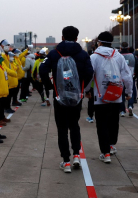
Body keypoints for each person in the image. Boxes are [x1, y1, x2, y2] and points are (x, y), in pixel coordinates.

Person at [40, 26, 93, 173]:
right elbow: (90, 72)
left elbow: (42, 70)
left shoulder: (54, 53)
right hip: (76, 96)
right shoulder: (82, 54)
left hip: (59, 96)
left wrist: (50, 86)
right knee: (74, 125)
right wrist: (82, 87)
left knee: (62, 128)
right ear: (77, 38)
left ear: (62, 37)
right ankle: (76, 154)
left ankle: (66, 161)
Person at [85, 31, 132, 164]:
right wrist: (129, 92)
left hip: (100, 97)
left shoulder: (94, 57)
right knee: (113, 122)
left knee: (102, 124)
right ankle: (111, 145)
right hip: (116, 95)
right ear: (112, 42)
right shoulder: (119, 56)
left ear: (99, 42)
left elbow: (89, 75)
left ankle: (105, 153)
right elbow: (127, 76)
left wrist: (87, 90)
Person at [119, 42, 138, 117]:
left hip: (120, 78)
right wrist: (135, 75)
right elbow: (137, 66)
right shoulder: (132, 56)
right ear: (128, 47)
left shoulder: (118, 55)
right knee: (131, 92)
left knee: (121, 94)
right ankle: (130, 106)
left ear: (120, 48)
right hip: (131, 76)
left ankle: (122, 110)